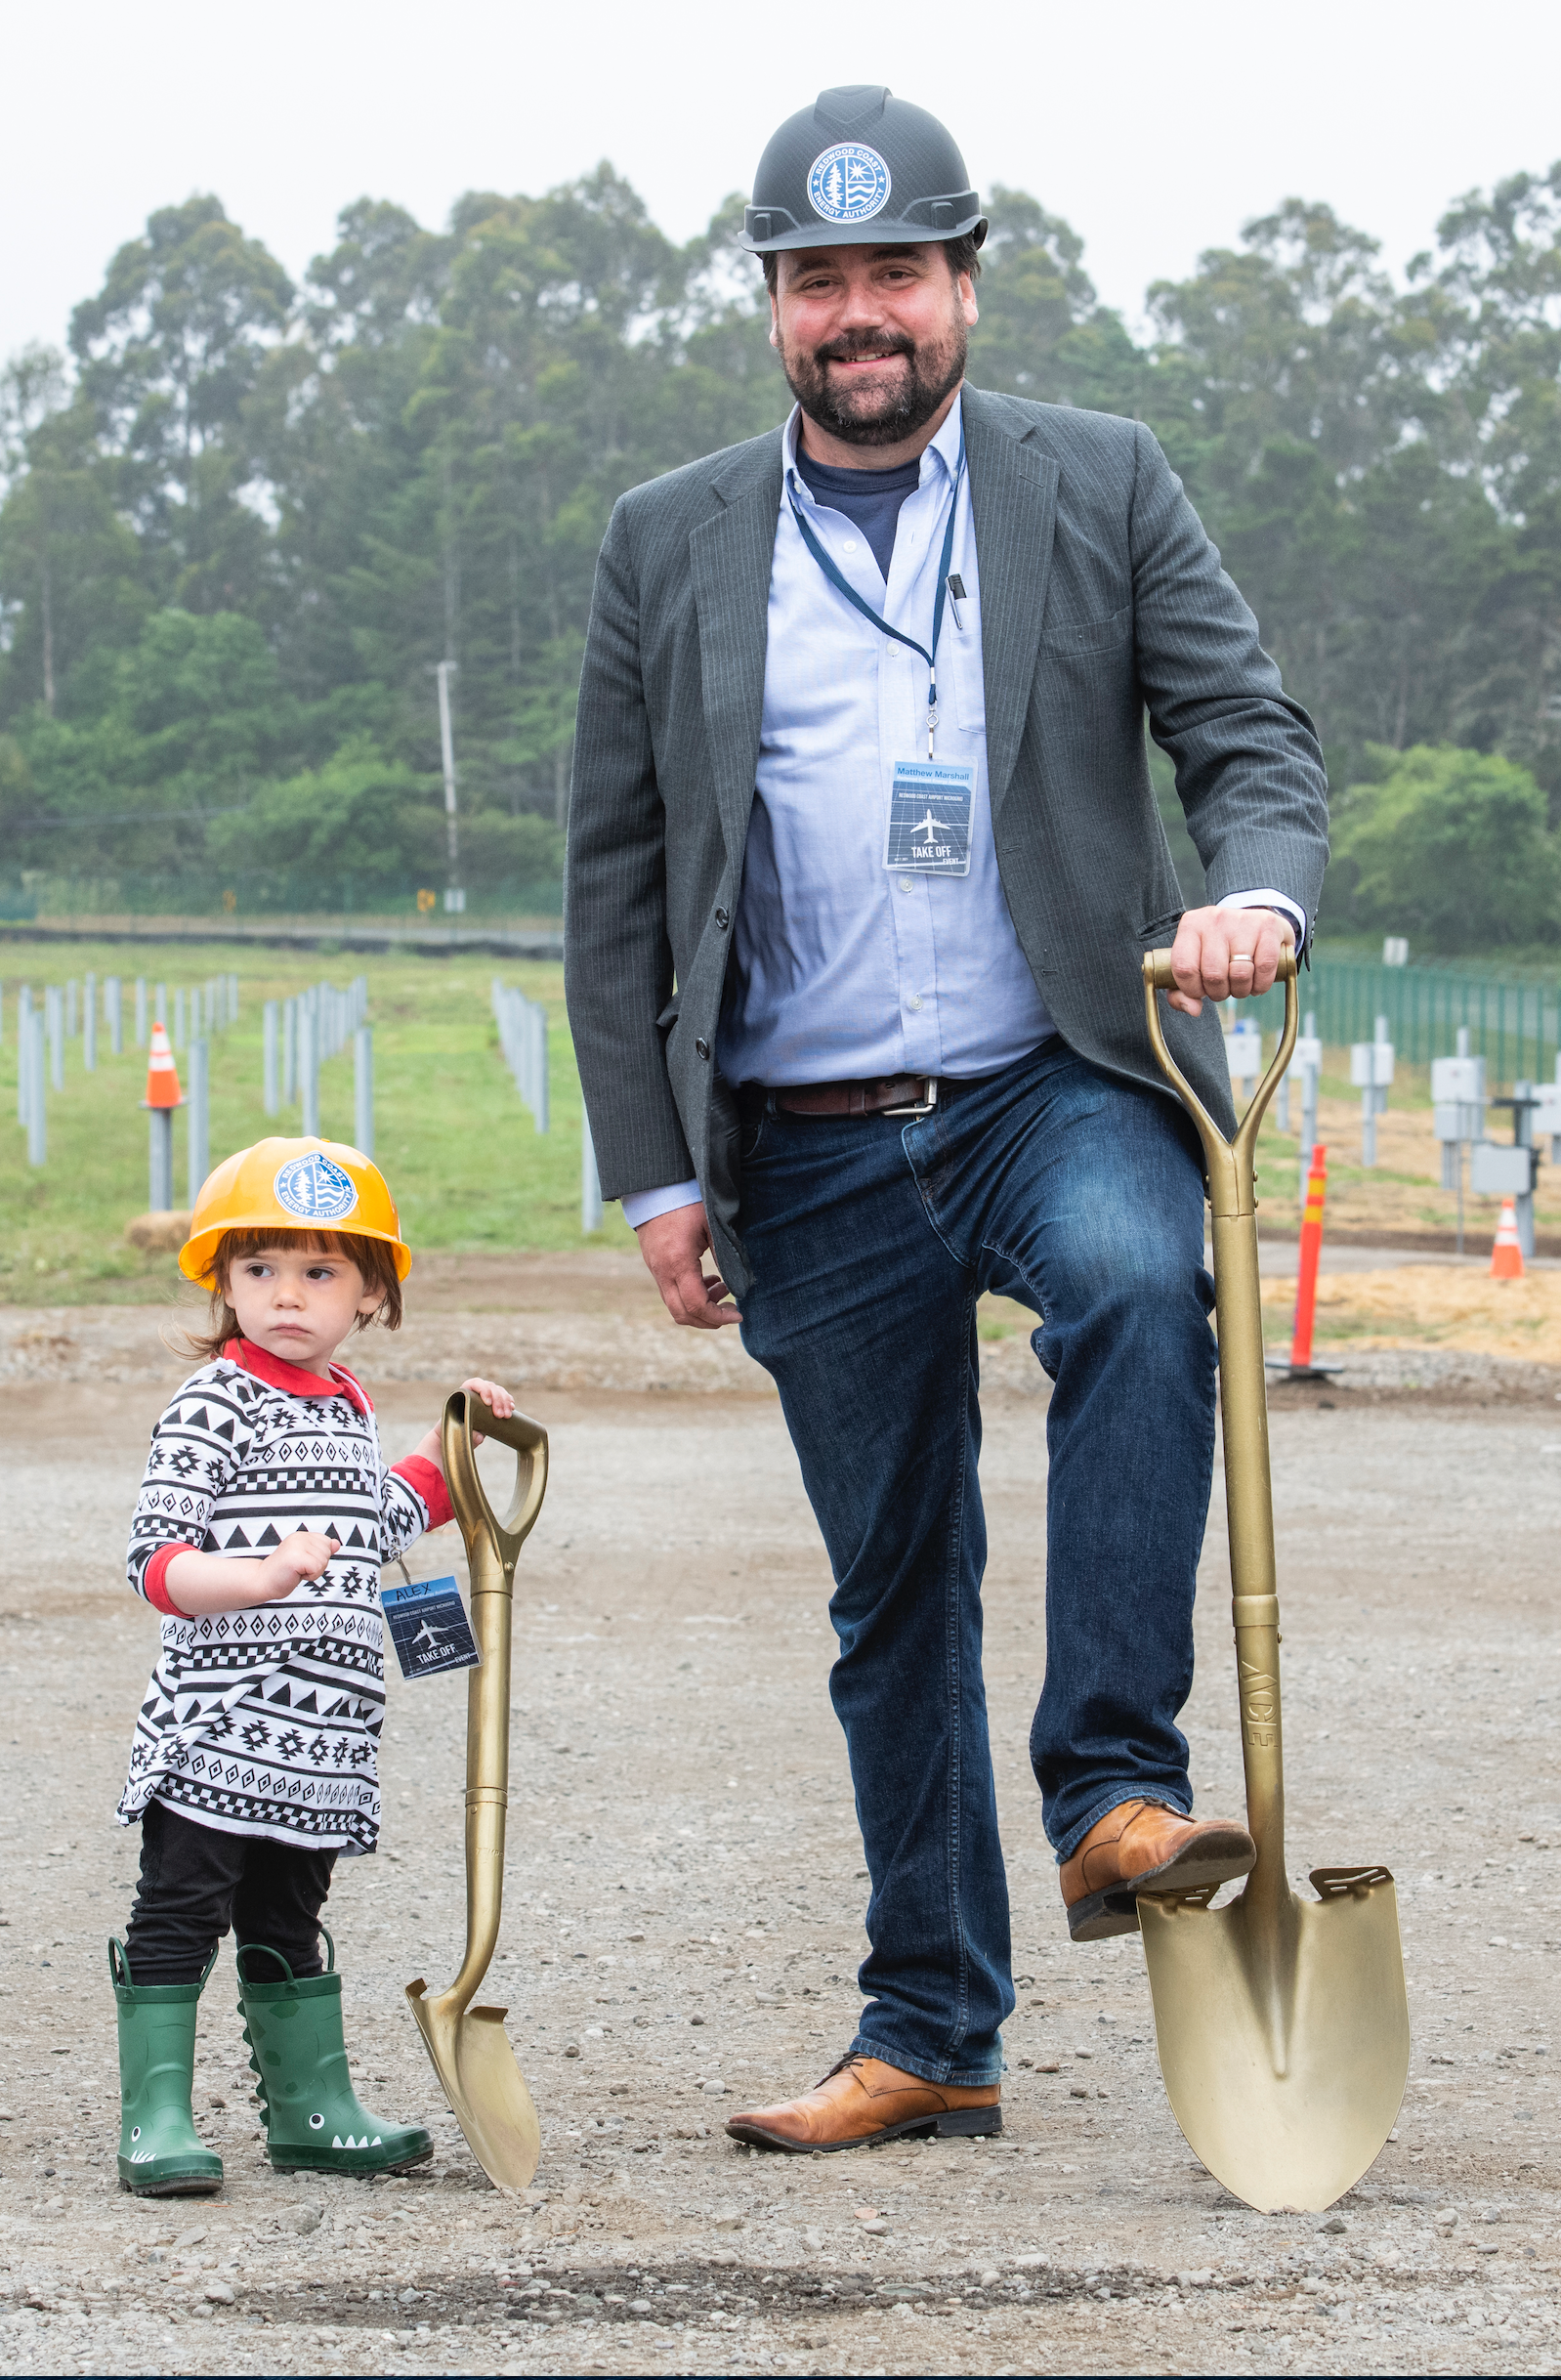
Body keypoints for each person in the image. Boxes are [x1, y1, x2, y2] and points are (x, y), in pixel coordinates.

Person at [564, 86, 1330, 2153]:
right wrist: (653, 1170)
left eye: (891, 271)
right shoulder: (668, 539)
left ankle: (1109, 1794)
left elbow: (1240, 730)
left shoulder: (1098, 484)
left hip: (1047, 1075)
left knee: (1128, 1280)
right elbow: (615, 881)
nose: (856, 314)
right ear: (772, 309)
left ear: (961, 288)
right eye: (815, 282)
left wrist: (1252, 894)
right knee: (889, 1583)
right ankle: (930, 2032)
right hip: (797, 1134)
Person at [105, 1134, 515, 2195]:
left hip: (320, 1742)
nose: (287, 1297)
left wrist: (452, 1442)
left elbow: (377, 1516)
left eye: (320, 1272)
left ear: (372, 1291)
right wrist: (253, 1576)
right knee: (182, 1908)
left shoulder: (343, 1407)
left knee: (289, 1917)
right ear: (222, 1282)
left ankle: (308, 2109)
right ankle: (155, 2117)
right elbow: (157, 1560)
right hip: (221, 1728)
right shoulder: (213, 1405)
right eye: (259, 1271)